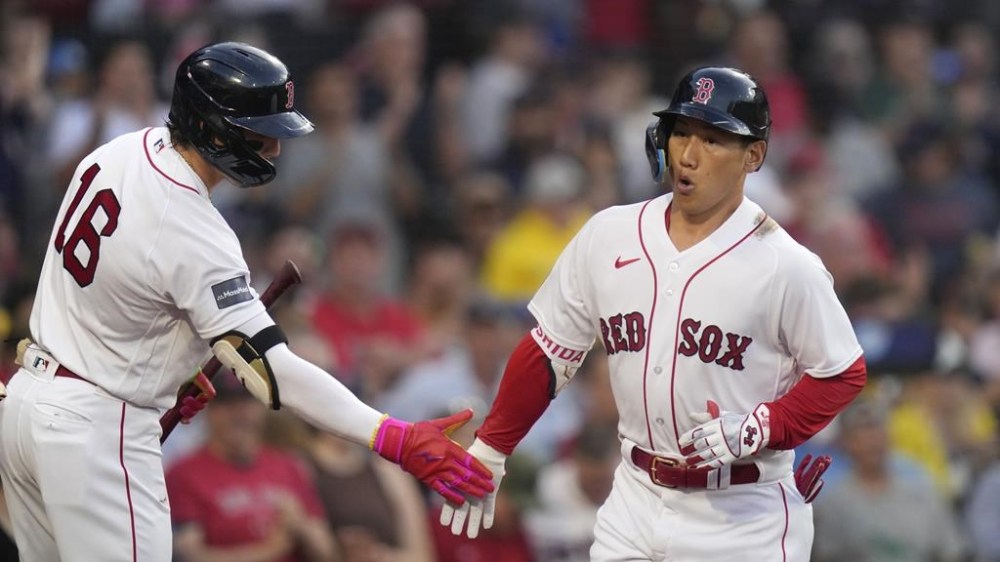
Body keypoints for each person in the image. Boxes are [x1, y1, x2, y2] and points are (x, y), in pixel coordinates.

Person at [0, 41, 493, 562]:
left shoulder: (118, 151)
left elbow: (115, 289)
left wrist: (168, 369)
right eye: (261, 132)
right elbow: (273, 372)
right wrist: (391, 435)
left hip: (29, 406)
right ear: (212, 127)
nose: (274, 148)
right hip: (98, 428)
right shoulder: (195, 229)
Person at [439, 66, 868, 560]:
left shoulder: (786, 265)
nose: (688, 154)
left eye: (712, 139)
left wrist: (767, 424)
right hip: (635, 497)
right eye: (681, 132)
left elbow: (841, 373)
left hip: (742, 514)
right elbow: (549, 351)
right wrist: (492, 448)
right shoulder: (609, 235)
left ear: (754, 155)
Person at [166, 377, 336, 562]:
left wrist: (300, 525)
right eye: (228, 405)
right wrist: (269, 550)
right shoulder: (183, 473)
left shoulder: (288, 466)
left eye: (247, 403)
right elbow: (190, 556)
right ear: (210, 411)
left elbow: (327, 553)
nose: (239, 414)